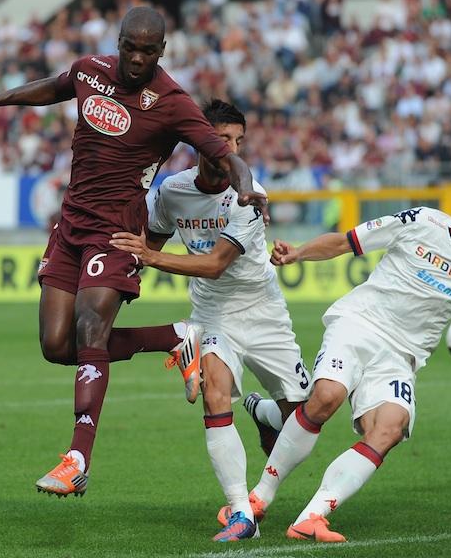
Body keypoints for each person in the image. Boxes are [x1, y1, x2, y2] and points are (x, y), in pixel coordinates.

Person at [0, 6, 268, 499]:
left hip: (118, 232)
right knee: (57, 346)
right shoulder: (90, 70)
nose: (138, 58)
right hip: (71, 226)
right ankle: (176, 335)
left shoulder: (171, 100)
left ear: (162, 51)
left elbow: (227, 154)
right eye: (130, 47)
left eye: (148, 50)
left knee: (90, 325)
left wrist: (247, 188)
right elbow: (56, 87)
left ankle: (77, 458)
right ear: (118, 41)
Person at [238, 164, 451, 542]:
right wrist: (297, 255)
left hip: (401, 357)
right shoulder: (422, 221)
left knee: (390, 427)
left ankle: (312, 517)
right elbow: (346, 242)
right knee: (326, 397)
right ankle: (257, 499)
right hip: (359, 323)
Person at [110, 99, 311, 542]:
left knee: (305, 413)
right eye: (224, 141)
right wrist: (126, 271)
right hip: (212, 314)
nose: (234, 150)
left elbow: (217, 263)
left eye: (240, 141)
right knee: (215, 395)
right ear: (200, 142)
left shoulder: (248, 193)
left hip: (262, 311)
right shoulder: (173, 190)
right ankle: (242, 513)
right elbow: (153, 238)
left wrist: (150, 256)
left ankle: (265, 413)